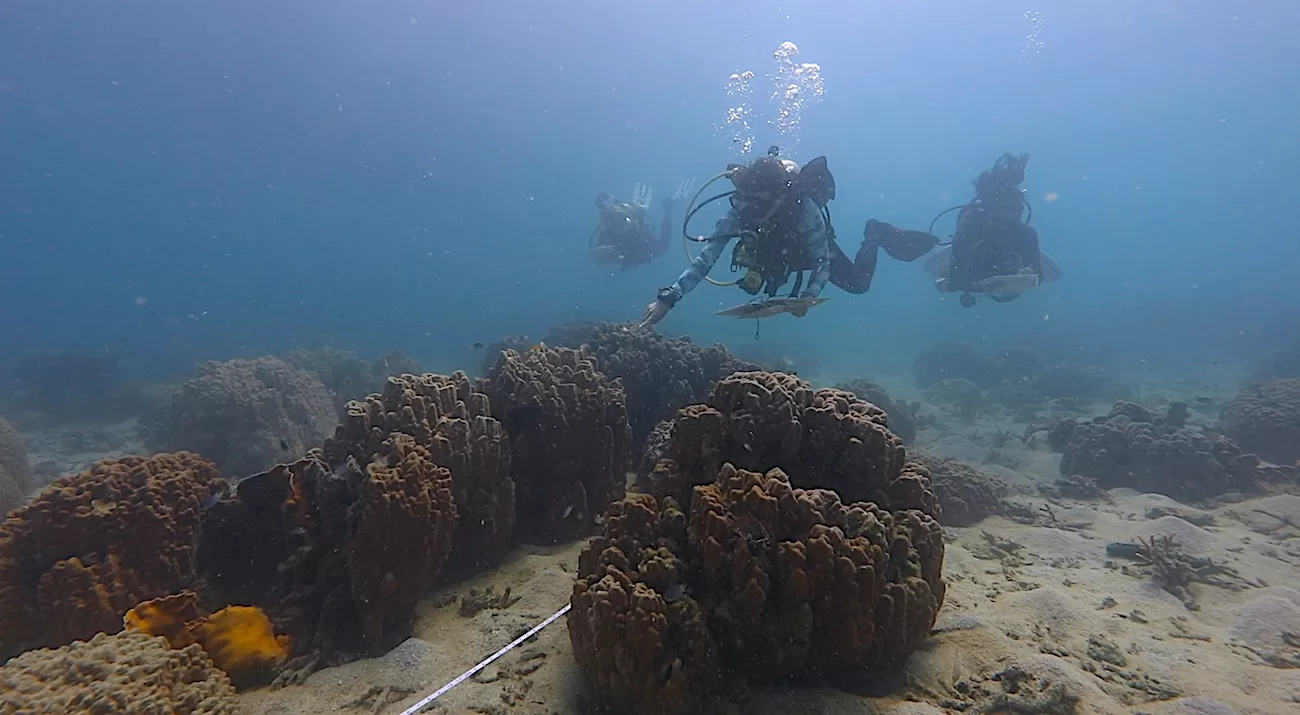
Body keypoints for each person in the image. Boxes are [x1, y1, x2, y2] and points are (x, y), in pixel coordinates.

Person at [639, 147, 938, 328]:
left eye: (757, 203)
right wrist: (670, 297)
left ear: (776, 197)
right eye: (744, 199)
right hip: (774, 256)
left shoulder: (802, 208)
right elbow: (707, 257)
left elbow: (821, 260)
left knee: (859, 285)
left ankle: (875, 233)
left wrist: (808, 296)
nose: (748, 208)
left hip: (804, 250)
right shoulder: (741, 207)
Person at [933, 153, 1053, 306]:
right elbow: (955, 281)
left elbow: (1038, 277)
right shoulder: (970, 231)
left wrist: (1025, 275)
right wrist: (978, 286)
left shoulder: (1025, 234)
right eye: (998, 213)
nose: (1003, 222)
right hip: (974, 271)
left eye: (1011, 212)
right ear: (984, 210)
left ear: (1019, 212)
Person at [590, 179, 694, 271]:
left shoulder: (611, 230)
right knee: (662, 246)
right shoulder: (608, 235)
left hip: (638, 245)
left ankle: (659, 207)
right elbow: (599, 256)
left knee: (661, 246)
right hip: (636, 250)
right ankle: (664, 207)